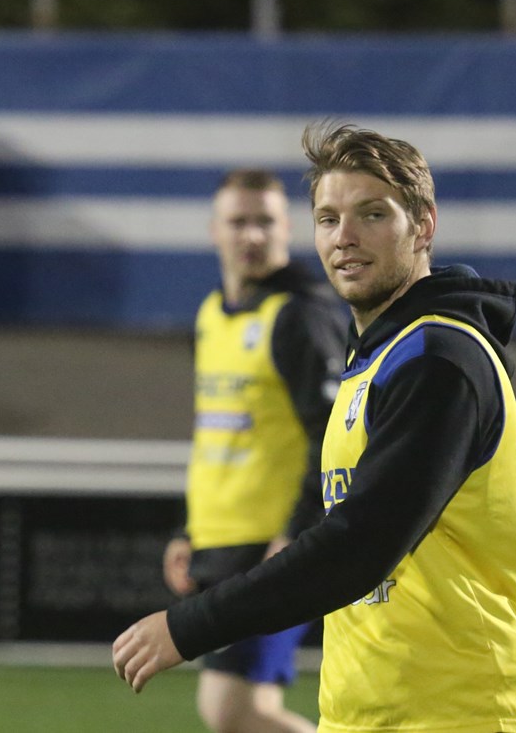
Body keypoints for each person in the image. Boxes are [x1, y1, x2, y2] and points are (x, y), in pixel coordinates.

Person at [116, 124, 516, 733]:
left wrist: (190, 626)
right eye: (328, 219)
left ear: (423, 226)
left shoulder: (438, 359)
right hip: (370, 713)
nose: (344, 237)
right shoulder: (373, 356)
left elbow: (361, 544)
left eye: (372, 214)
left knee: (232, 709)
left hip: (463, 713)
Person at [162, 168, 346, 733]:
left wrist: (297, 532)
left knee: (233, 710)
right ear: (214, 230)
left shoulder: (300, 314)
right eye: (238, 221)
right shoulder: (211, 315)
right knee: (238, 711)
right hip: (220, 542)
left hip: (271, 546)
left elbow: (333, 435)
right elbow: (216, 435)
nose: (252, 235)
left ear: (287, 229)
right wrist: (189, 530)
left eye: (265, 222)